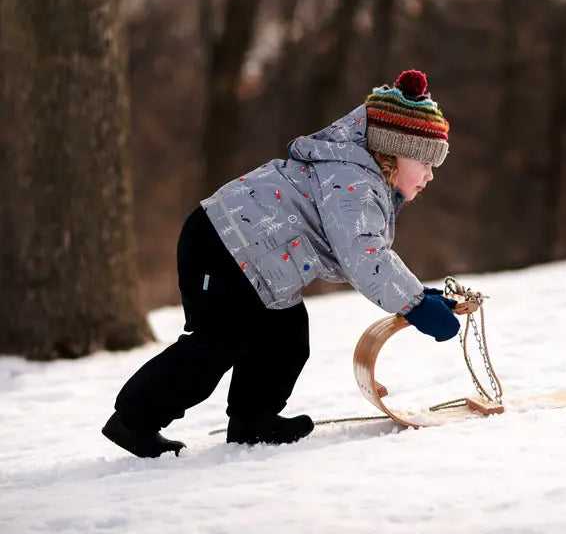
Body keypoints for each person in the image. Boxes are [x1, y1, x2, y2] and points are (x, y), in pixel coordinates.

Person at [102, 69, 460, 458]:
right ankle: (133, 420)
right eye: (424, 162)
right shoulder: (354, 181)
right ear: (392, 150)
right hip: (222, 246)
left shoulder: (361, 176)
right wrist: (416, 304)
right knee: (219, 342)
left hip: (254, 260)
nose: (429, 175)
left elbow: (366, 250)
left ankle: (253, 421)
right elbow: (364, 254)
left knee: (285, 337)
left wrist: (417, 295)